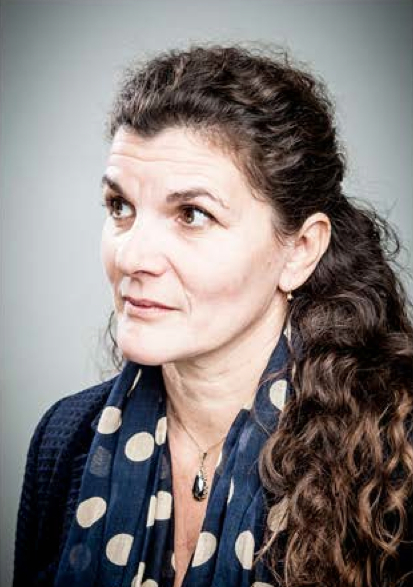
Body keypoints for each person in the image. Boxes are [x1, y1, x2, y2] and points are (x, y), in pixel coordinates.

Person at [13, 45, 413, 587]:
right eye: (120, 207)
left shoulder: (396, 458)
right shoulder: (65, 441)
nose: (131, 257)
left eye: (192, 214)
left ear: (300, 251)